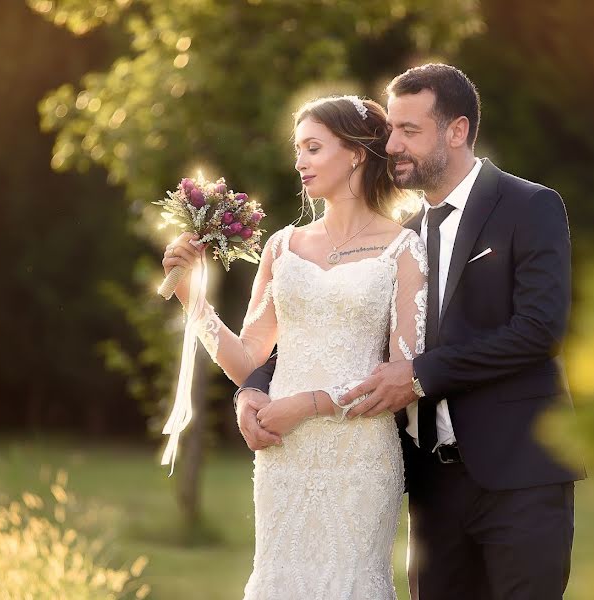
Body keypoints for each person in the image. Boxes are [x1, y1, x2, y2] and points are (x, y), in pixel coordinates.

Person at [238, 64, 587, 599]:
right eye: (390, 129)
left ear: (457, 130)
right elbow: (339, 331)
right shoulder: (402, 238)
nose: (392, 144)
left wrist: (421, 375)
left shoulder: (530, 206)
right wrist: (254, 384)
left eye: (409, 131)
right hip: (431, 483)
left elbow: (538, 330)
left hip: (521, 474)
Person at [161, 95, 427, 599]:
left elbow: (403, 375)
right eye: (297, 149)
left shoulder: (403, 248)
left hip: (359, 454)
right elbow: (247, 362)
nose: (299, 161)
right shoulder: (282, 246)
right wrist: (191, 297)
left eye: (313, 147)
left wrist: (307, 406)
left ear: (354, 154)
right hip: (285, 453)